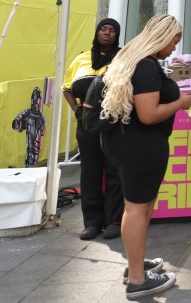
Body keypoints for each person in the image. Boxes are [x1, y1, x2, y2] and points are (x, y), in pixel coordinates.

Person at [101, 14, 191, 300]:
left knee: (136, 208)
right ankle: (138, 280)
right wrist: (180, 102)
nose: (174, 49)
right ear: (162, 37)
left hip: (126, 143)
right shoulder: (146, 67)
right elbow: (149, 114)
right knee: (138, 210)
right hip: (141, 146)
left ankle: (136, 265)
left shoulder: (135, 61)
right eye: (174, 42)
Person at [62, 18, 123, 240]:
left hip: (113, 120)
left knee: (115, 170)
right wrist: (77, 110)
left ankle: (114, 220)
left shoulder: (122, 58)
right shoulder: (81, 59)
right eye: (103, 29)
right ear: (97, 33)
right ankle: (92, 222)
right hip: (87, 122)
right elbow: (67, 88)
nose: (107, 34)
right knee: (90, 172)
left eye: (112, 31)